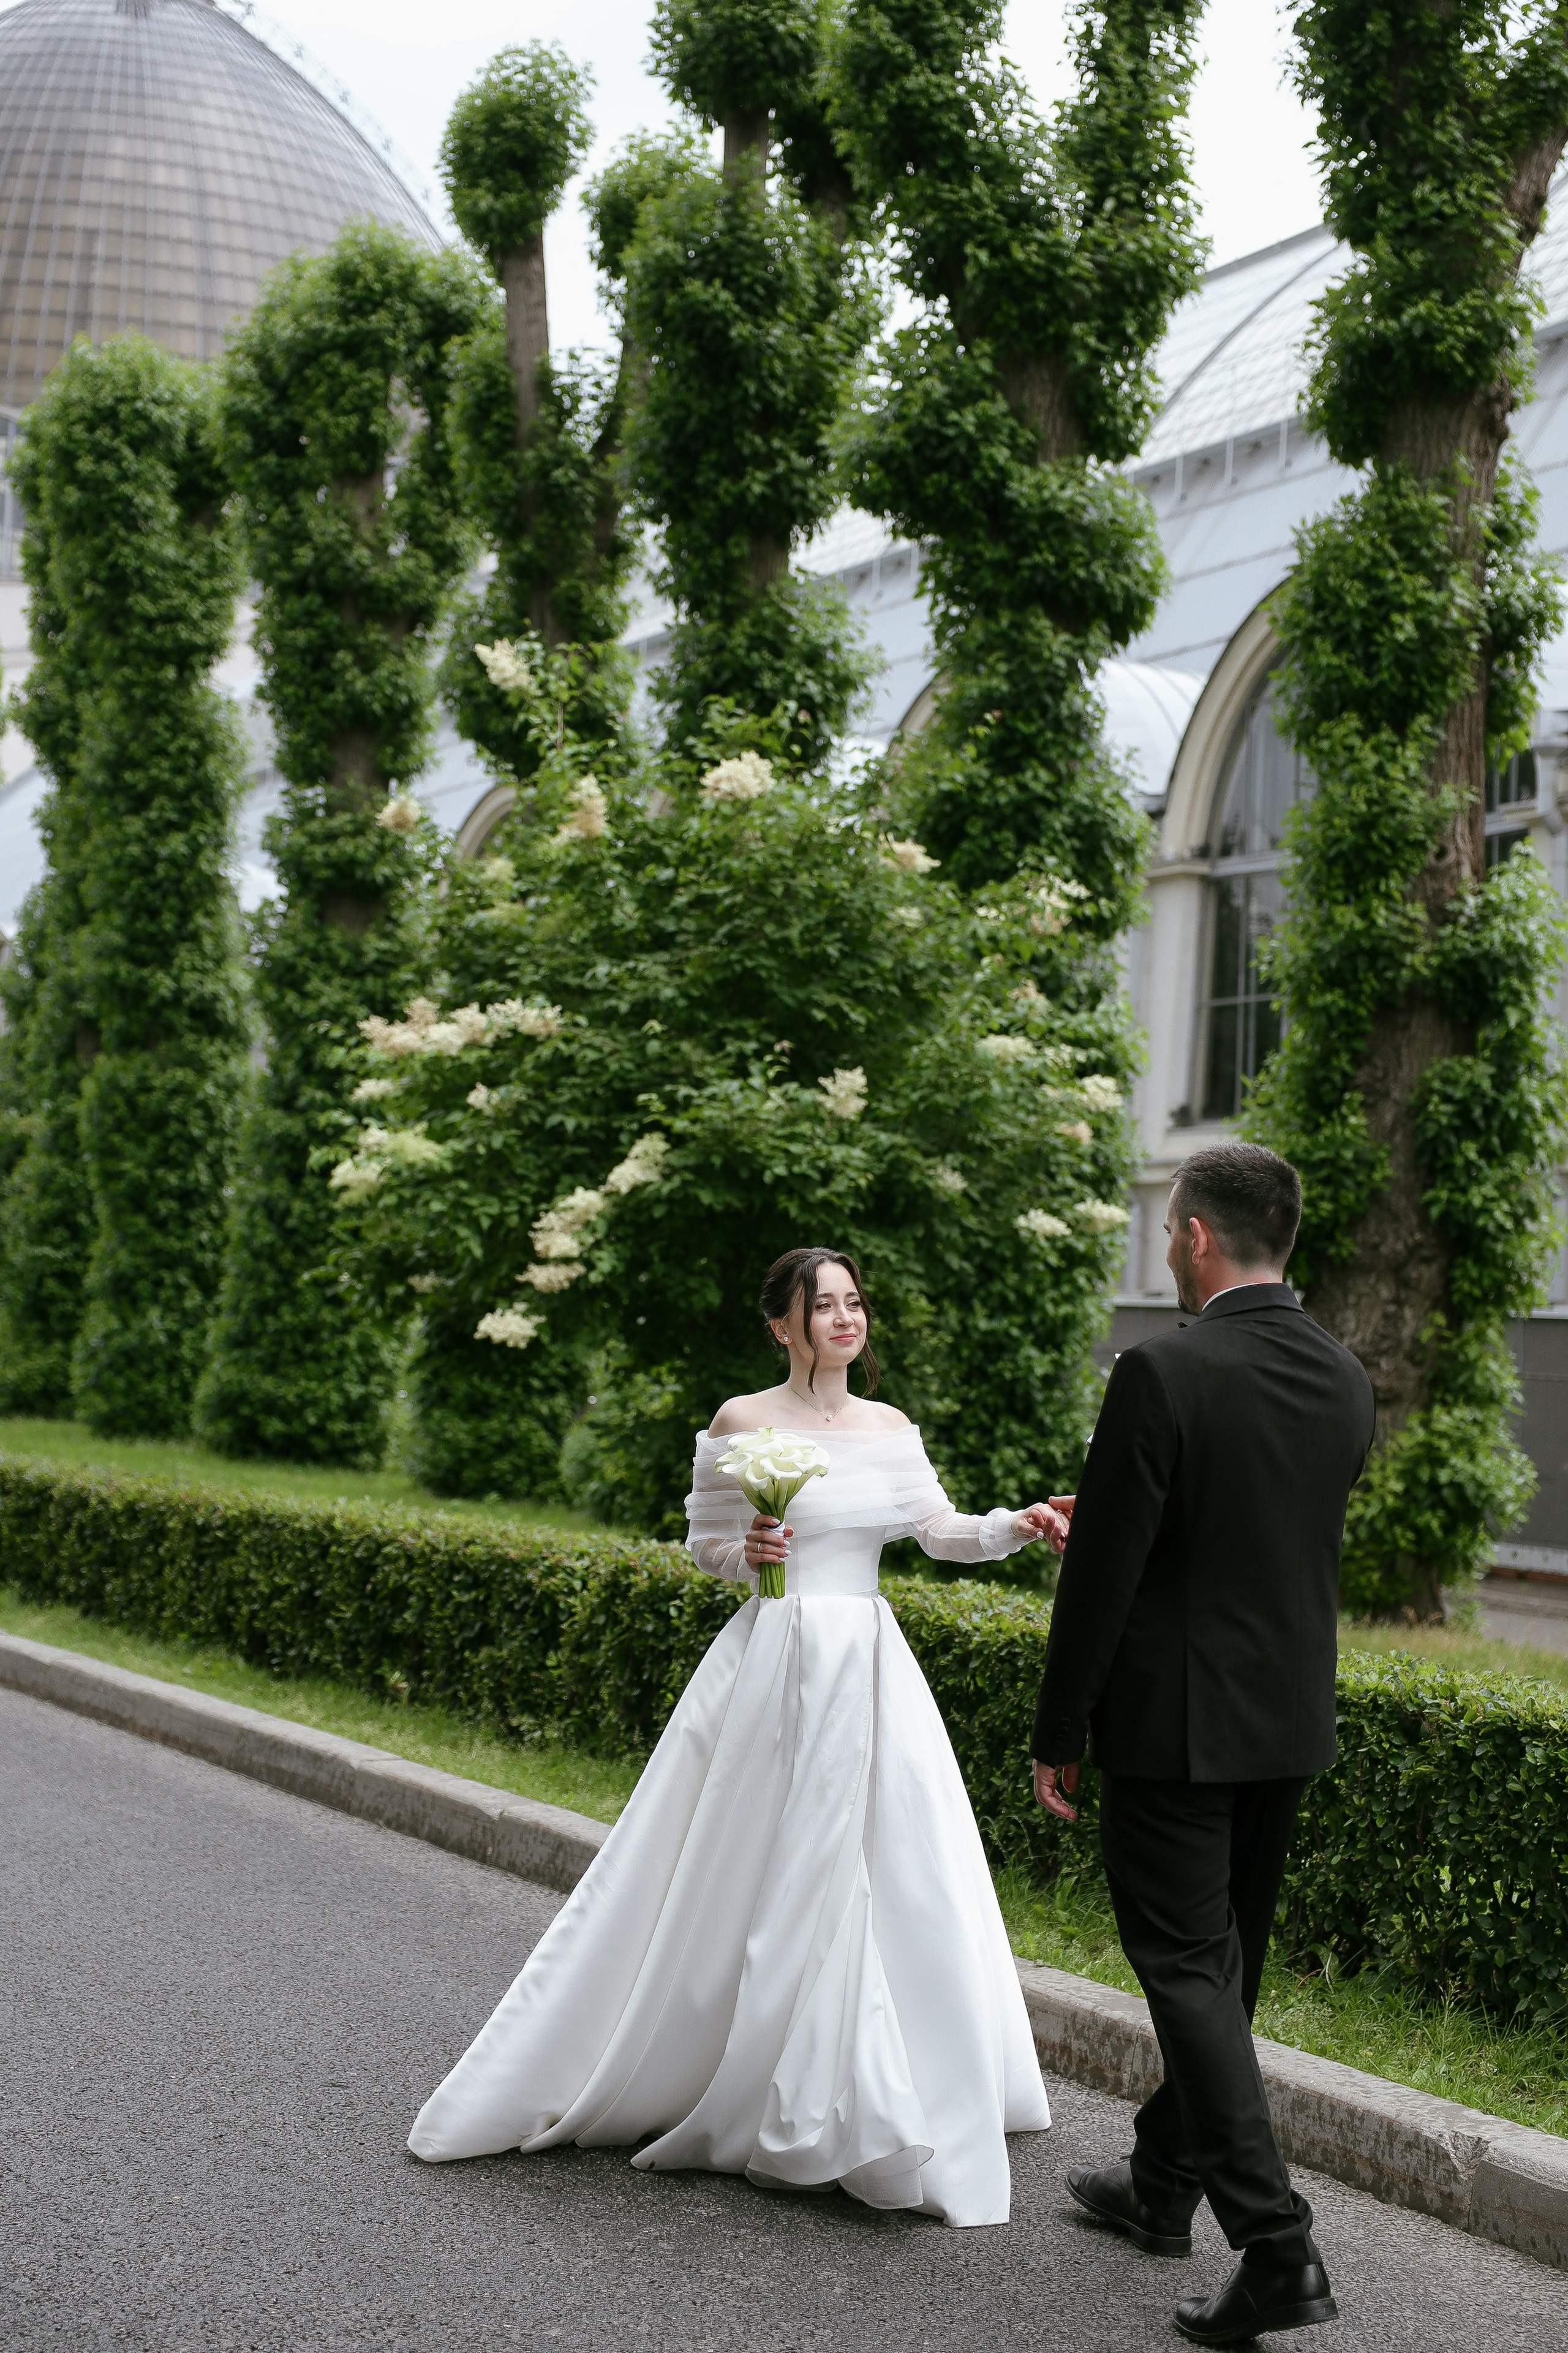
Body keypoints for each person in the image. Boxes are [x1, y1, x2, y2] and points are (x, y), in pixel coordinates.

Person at [409, 1244, 1064, 2225]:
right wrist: (745, 1550)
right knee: (757, 1863)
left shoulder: (889, 1427)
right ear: (781, 1324)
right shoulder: (743, 1422)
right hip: (774, 1659)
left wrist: (1013, 1524)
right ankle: (742, 2068)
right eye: (823, 1305)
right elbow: (703, 1544)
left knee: (898, 1864)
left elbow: (937, 1530)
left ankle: (898, 2075)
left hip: (869, 1662)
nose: (845, 1319)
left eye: (854, 1303)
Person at [1031, 1143, 1375, 2346]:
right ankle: (1158, 2187)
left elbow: (1102, 1573)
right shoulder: (1346, 1380)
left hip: (1172, 1729)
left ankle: (1277, 2251)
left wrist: (1056, 1728)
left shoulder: (1160, 1372)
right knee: (1220, 1978)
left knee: (1186, 1974)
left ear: (1192, 1237)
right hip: (1287, 1725)